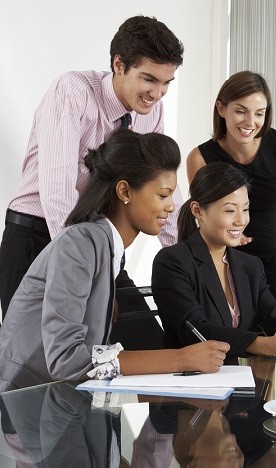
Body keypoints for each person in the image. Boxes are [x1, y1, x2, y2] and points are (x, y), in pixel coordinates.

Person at [0, 130, 229, 392]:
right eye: (163, 195)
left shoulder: (106, 247)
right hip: (21, 404)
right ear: (124, 191)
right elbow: (65, 360)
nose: (170, 207)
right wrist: (181, 358)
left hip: (59, 403)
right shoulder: (81, 243)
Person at [0, 15, 185, 318]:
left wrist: (190, 256)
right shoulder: (73, 93)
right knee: (33, 360)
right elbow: (57, 194)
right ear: (119, 65)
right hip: (37, 235)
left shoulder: (152, 113)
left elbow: (163, 186)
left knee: (144, 341)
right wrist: (84, 270)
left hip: (102, 240)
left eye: (166, 83)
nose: (158, 93)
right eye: (149, 79)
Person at [186, 71, 276, 301]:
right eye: (240, 111)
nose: (250, 122)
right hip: (224, 260)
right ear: (222, 109)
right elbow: (202, 217)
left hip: (272, 261)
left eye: (259, 113)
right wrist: (231, 235)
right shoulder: (200, 158)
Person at [152, 162, 276, 362]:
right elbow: (196, 331)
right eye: (230, 211)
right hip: (191, 382)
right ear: (198, 211)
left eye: (245, 209)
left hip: (243, 380)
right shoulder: (172, 262)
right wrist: (264, 345)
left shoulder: (250, 265)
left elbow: (275, 315)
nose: (241, 220)